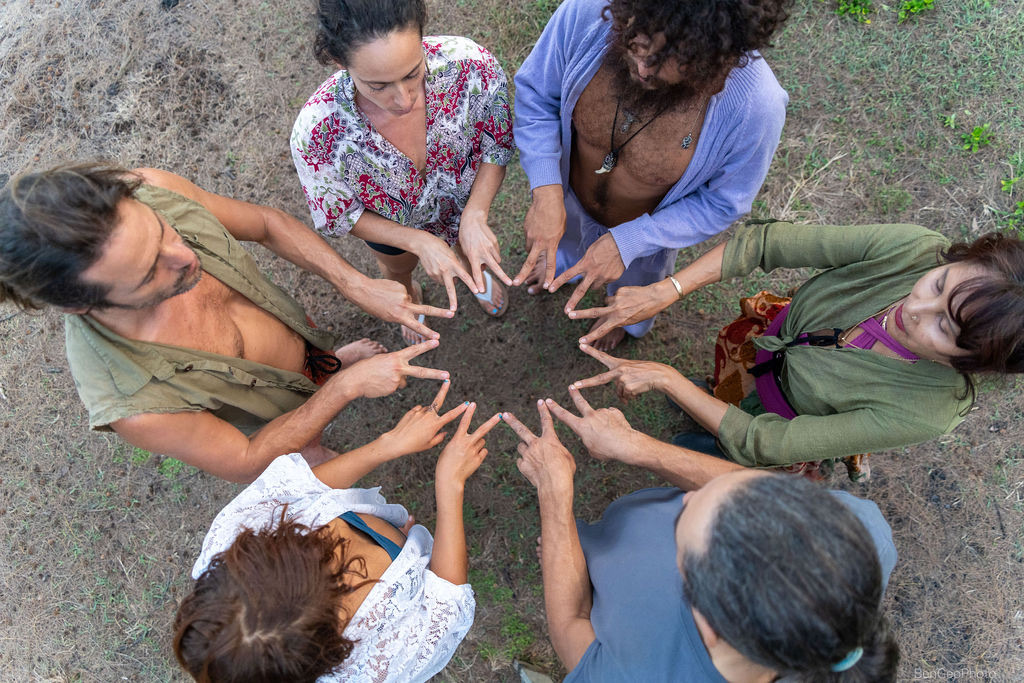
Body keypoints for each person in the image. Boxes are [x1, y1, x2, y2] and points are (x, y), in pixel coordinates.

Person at [0, 163, 455, 482]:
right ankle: (320, 450)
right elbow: (244, 459)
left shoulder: (153, 187)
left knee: (314, 357)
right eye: (147, 273)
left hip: (297, 343)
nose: (185, 256)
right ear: (80, 305)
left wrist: (355, 284)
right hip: (271, 423)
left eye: (162, 230)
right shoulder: (136, 403)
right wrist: (347, 387)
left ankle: (329, 364)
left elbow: (264, 224)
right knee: (305, 450)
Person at [569, 221, 1024, 478]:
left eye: (944, 327)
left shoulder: (925, 410)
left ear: (970, 360)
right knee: (717, 394)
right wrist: (667, 289)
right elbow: (765, 244)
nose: (916, 306)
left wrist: (665, 378)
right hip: (760, 355)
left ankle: (701, 430)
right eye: (940, 283)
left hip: (778, 417)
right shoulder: (918, 249)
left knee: (712, 449)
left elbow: (765, 442)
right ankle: (707, 404)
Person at [503, 400, 899, 682]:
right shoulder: (861, 534)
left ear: (707, 623)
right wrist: (640, 449)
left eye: (682, 529)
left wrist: (554, 500)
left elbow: (570, 622)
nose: (690, 495)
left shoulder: (632, 676)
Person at [174, 383, 501, 682]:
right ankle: (404, 548)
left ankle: (399, 537)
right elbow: (446, 596)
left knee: (392, 532)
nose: (325, 548)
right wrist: (450, 486)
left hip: (374, 532)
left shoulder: (230, 546)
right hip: (405, 568)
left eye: (286, 545)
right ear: (331, 644)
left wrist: (388, 445)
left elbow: (303, 489)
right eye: (325, 567)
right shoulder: (374, 667)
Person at [512, 0, 790, 350]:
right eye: (637, 45)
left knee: (635, 293)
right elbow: (537, 95)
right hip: (568, 197)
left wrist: (629, 242)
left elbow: (723, 203)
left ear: (718, 62)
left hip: (647, 246)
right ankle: (563, 261)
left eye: (669, 64)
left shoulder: (757, 107)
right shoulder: (587, 11)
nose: (643, 69)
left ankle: (627, 323)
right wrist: (547, 191)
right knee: (562, 238)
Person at [292, 0, 516, 345]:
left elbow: (495, 143)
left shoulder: (472, 65)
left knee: (473, 247)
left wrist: (476, 212)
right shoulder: (317, 131)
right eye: (378, 86)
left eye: (413, 73)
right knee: (398, 269)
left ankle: (475, 272)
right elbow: (342, 213)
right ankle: (409, 297)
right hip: (391, 229)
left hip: (461, 201)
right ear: (340, 63)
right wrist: (416, 241)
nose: (404, 99)